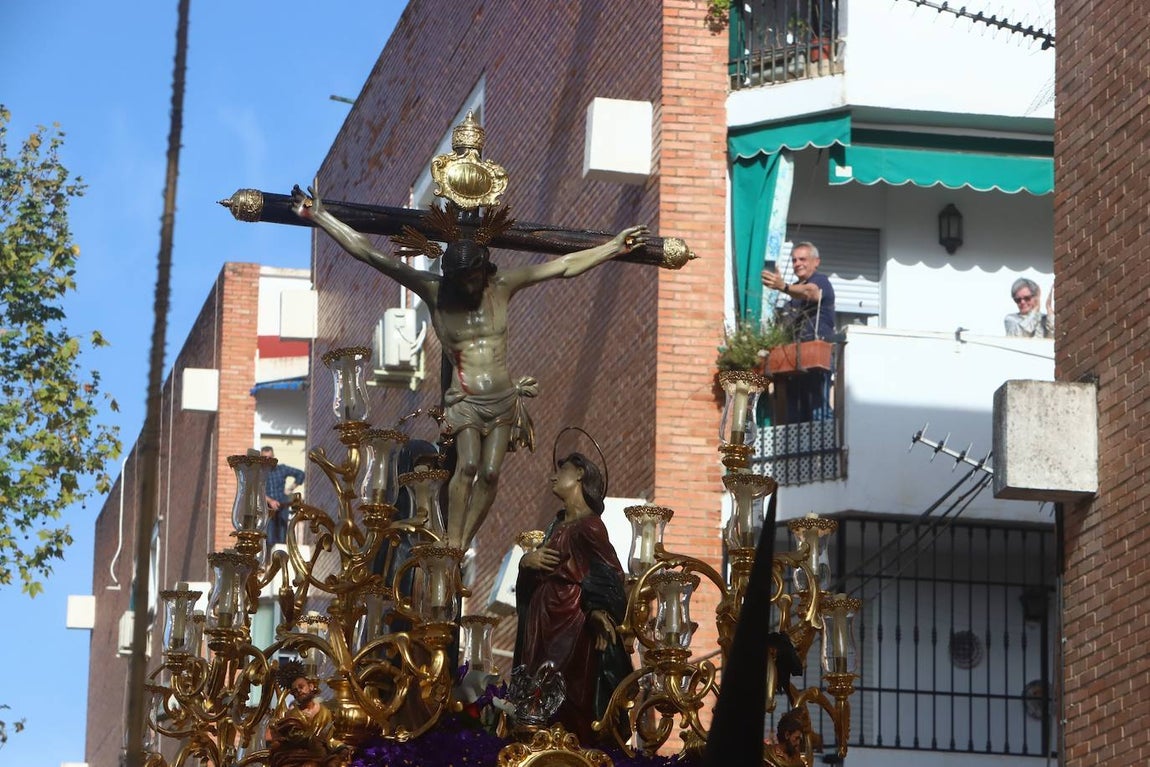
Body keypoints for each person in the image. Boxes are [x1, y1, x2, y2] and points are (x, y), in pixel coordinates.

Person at [293, 186, 647, 550]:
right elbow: (370, 254)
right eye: (460, 281)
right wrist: (320, 216)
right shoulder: (434, 292)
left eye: (473, 279)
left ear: (483, 268)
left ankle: (461, 543)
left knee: (490, 473)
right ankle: (450, 541)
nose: (468, 287)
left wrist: (613, 248)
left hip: (503, 399)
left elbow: (563, 266)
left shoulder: (502, 286)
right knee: (467, 466)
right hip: (464, 400)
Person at [513, 452, 631, 744]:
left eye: (562, 469)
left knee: (567, 690)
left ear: (580, 473)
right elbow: (534, 575)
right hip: (541, 619)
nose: (553, 477)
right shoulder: (555, 526)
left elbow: (610, 573)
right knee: (535, 688)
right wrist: (526, 562)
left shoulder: (590, 526)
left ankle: (570, 747)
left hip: (571, 619)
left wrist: (599, 611)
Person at [760, 242, 836, 422]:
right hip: (795, 363)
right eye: (794, 260)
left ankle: (822, 441)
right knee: (795, 417)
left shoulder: (820, 280)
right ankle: (802, 440)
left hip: (816, 359)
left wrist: (784, 286)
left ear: (816, 262)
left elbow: (812, 292)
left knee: (818, 413)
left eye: (802, 259)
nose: (797, 263)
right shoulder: (793, 293)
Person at [266, 661, 333, 751]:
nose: (299, 691)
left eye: (301, 687)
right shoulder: (293, 716)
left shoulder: (325, 712)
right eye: (295, 691)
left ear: (311, 686)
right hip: (301, 754)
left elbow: (331, 735)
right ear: (293, 695)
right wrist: (313, 739)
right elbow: (294, 736)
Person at [262, 446, 306, 545]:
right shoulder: (259, 472)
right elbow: (257, 490)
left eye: (270, 457)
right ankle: (270, 555)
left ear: (274, 457)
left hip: (282, 507)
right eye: (265, 458)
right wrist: (270, 501)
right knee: (269, 539)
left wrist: (290, 489)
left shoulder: (282, 469)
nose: (267, 460)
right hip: (267, 509)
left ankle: (280, 554)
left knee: (281, 538)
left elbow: (300, 474)